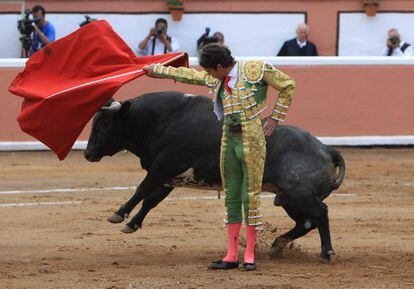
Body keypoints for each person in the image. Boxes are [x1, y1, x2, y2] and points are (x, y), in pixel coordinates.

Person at [143, 43, 295, 271]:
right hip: (228, 139)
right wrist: (157, 71)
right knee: (232, 193)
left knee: (250, 194)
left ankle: (250, 254)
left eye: (210, 70)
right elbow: (189, 76)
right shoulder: (217, 77)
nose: (207, 75)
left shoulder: (255, 69)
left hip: (252, 138)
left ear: (221, 66)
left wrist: (275, 117)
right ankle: (232, 254)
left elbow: (288, 85)